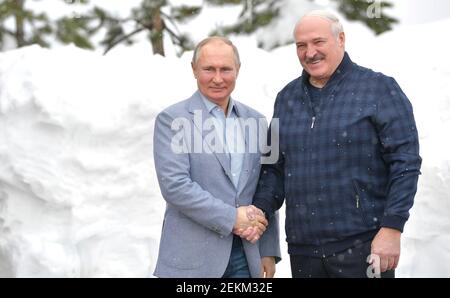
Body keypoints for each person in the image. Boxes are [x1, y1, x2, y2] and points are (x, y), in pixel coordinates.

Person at [252, 10, 422, 278]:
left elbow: (406, 164)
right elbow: (273, 167)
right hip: (304, 251)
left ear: (341, 39)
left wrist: (392, 227)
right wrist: (258, 209)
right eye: (301, 45)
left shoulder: (379, 89)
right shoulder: (285, 98)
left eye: (318, 42)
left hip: (363, 245)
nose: (310, 52)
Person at [153, 36, 281, 278]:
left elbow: (267, 184)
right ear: (193, 69)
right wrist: (233, 218)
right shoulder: (172, 120)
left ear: (238, 70)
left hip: (246, 256)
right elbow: (175, 186)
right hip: (192, 260)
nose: (217, 78)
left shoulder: (257, 121)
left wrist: (268, 250)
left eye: (225, 69)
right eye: (209, 69)